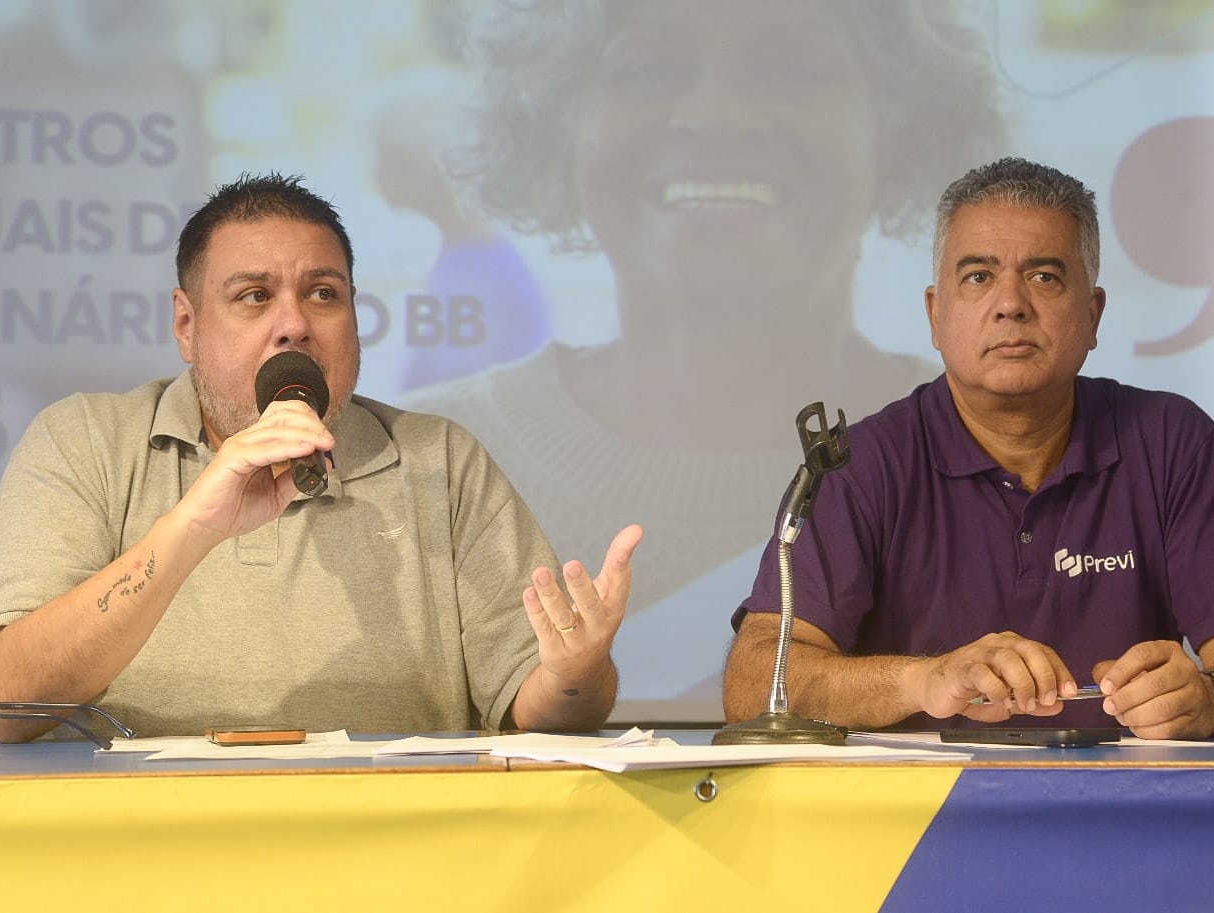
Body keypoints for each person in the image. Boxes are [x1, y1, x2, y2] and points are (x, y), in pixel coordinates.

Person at [398, 0, 1004, 711]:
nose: (718, 119)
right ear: (555, 124)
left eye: (793, 70)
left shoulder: (991, 447)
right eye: (648, 70)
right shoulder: (441, 456)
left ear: (896, 128)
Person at [0, 173, 642, 740]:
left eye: (323, 294)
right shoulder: (82, 440)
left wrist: (576, 673)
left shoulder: (440, 459)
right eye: (253, 296)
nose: (294, 324)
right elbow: (0, 705)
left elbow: (547, 706)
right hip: (140, 843)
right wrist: (194, 525)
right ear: (187, 326)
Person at [723, 157, 1214, 740]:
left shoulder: (1175, 443)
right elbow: (752, 687)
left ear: (1093, 314)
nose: (1011, 304)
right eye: (978, 276)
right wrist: (924, 680)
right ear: (935, 314)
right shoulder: (860, 464)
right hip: (917, 799)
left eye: (1044, 276)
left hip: (1125, 792)